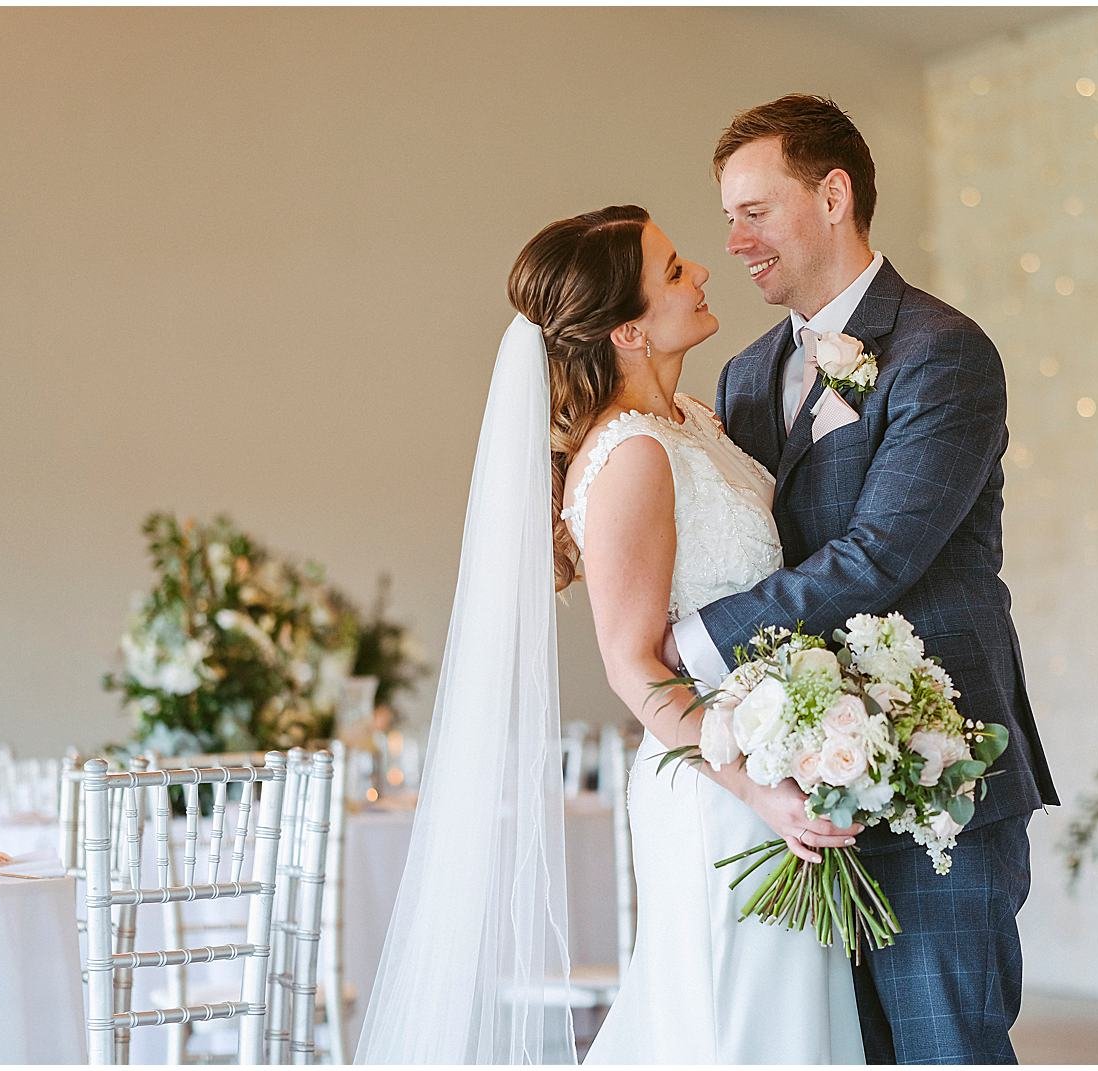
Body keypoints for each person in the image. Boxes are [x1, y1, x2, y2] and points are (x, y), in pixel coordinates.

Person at [357, 204, 863, 1064]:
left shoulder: (696, 421)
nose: (701, 271)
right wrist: (755, 787)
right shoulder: (630, 455)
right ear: (628, 329)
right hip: (718, 787)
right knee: (733, 1029)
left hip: (769, 766)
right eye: (673, 271)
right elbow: (633, 665)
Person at [665, 95, 1059, 1064]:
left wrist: (698, 640)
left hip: (940, 763)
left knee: (943, 1046)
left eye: (754, 211)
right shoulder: (747, 374)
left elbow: (884, 550)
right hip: (799, 772)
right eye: (727, 216)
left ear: (833, 195)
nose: (734, 240)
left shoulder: (942, 351)